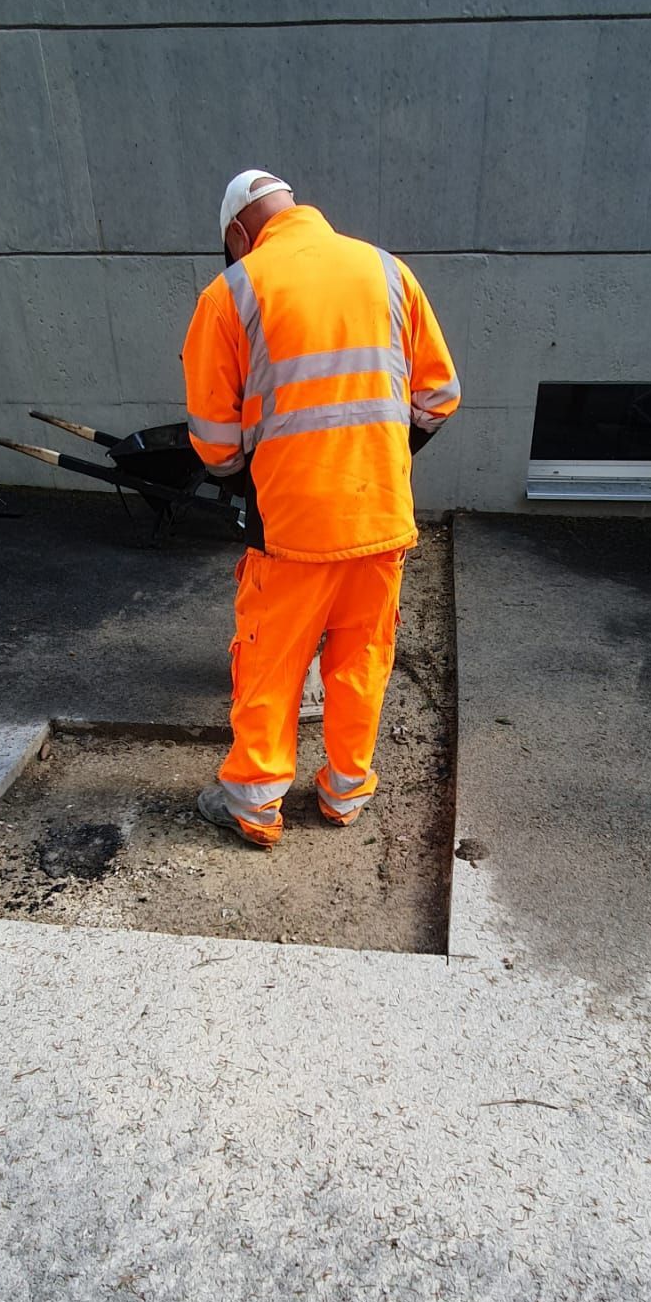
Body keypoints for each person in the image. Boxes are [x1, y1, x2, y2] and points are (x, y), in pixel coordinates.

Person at [182, 170, 461, 849]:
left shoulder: (232, 292)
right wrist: (378, 462)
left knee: (270, 662)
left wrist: (255, 475)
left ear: (238, 234)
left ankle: (253, 803)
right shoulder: (388, 273)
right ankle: (344, 793)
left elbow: (215, 445)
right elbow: (439, 395)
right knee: (363, 660)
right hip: (382, 518)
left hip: (293, 529)